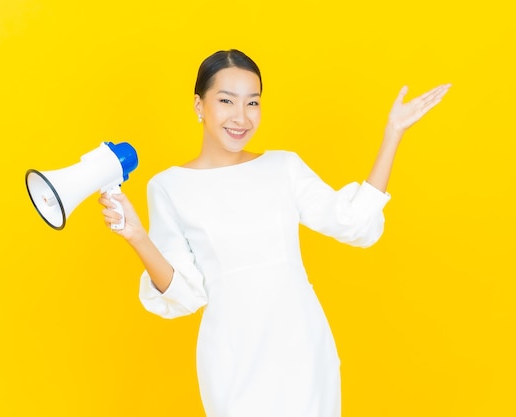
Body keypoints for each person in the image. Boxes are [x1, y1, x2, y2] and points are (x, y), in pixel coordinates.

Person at [100, 49, 450, 417]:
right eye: (226, 101)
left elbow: (352, 222)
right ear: (199, 105)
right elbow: (185, 293)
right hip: (232, 358)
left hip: (302, 349)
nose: (241, 117)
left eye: (252, 102)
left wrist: (393, 134)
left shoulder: (283, 167)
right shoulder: (169, 186)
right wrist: (138, 236)